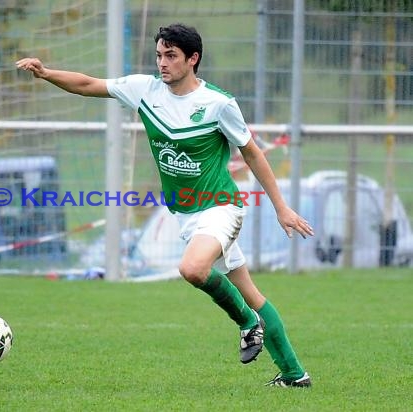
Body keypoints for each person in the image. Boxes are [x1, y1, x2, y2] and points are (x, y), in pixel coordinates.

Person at [16, 23, 313, 388]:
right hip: (186, 215)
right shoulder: (145, 91)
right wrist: (46, 73)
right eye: (159, 55)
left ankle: (249, 324)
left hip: (221, 207)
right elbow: (89, 85)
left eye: (170, 56)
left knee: (192, 269)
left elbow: (252, 153)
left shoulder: (218, 104)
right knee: (251, 293)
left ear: (193, 59)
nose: (162, 63)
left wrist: (281, 207)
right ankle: (295, 374)